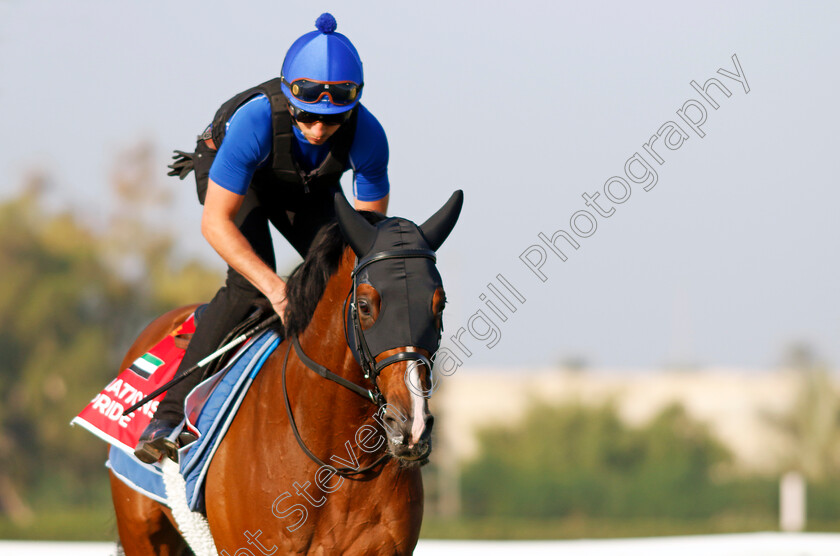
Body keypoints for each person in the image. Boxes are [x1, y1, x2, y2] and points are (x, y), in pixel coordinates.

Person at [134, 13, 389, 464]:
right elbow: (215, 223)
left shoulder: (369, 137)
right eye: (308, 116)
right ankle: (168, 416)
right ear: (291, 101)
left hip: (303, 185)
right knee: (250, 286)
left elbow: (365, 242)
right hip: (238, 182)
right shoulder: (255, 121)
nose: (318, 129)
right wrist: (276, 289)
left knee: (347, 276)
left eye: (332, 120)